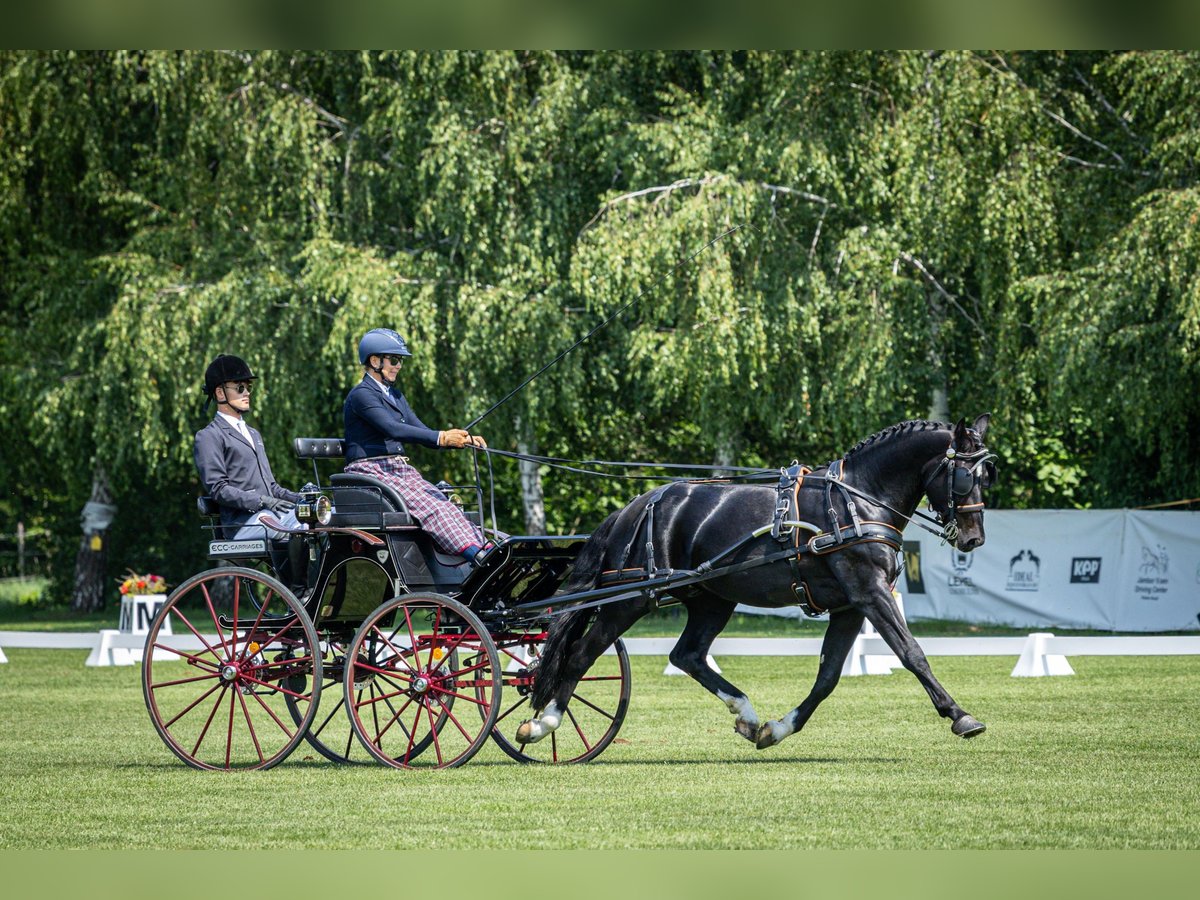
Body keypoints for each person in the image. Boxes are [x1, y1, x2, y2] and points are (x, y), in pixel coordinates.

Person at [343, 328, 492, 564]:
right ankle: (477, 555)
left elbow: (420, 430)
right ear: (375, 361)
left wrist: (460, 439)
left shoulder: (395, 395)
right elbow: (392, 428)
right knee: (433, 508)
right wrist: (441, 437)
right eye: (394, 360)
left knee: (447, 505)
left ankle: (486, 548)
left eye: (400, 360)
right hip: (370, 470)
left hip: (397, 469)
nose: (398, 366)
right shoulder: (362, 395)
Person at [193, 354, 305, 584]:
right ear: (220, 393)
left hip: (267, 516)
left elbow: (272, 486)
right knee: (288, 525)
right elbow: (219, 489)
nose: (247, 393)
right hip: (240, 523)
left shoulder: (254, 434)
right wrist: (261, 501)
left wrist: (301, 499)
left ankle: (312, 588)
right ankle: (298, 589)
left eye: (248, 387)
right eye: (240, 387)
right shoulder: (209, 436)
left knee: (312, 520)